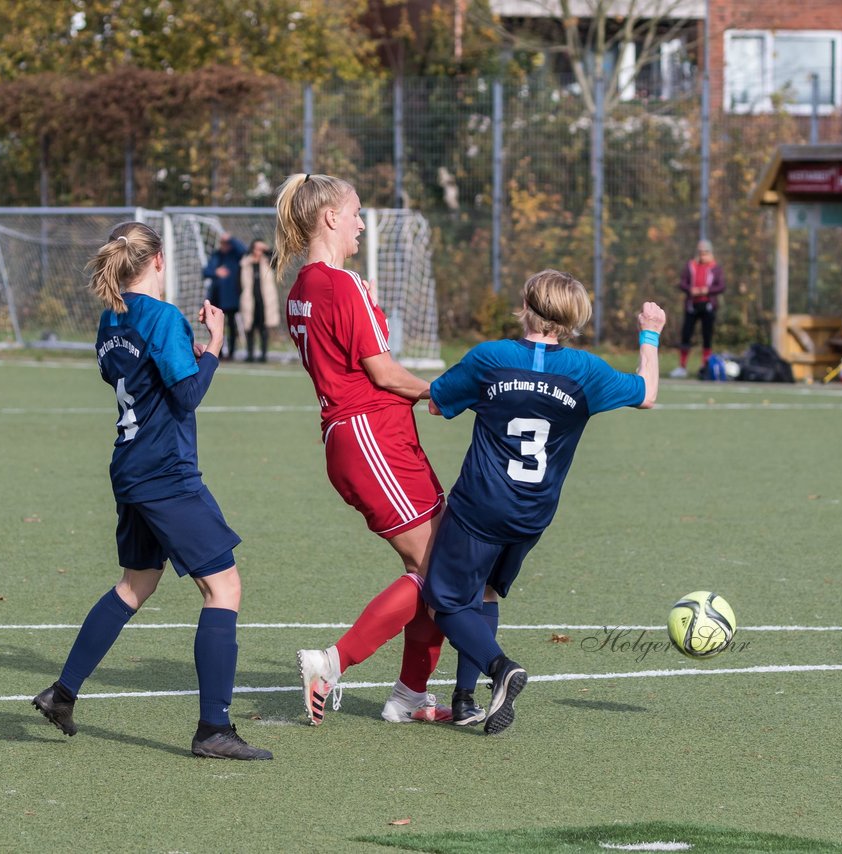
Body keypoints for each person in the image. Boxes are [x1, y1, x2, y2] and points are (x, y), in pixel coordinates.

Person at [31, 221, 271, 761]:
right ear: (159, 260)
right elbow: (187, 395)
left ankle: (62, 694)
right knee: (224, 588)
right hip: (166, 472)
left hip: (131, 466)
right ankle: (213, 728)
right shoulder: (162, 317)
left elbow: (127, 376)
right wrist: (214, 344)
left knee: (136, 584)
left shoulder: (110, 318)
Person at [423, 270, 664, 734]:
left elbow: (437, 403)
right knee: (487, 592)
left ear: (525, 306)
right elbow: (647, 393)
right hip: (533, 512)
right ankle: (465, 699)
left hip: (479, 505)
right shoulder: (586, 371)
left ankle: (500, 669)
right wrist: (649, 332)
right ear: (574, 319)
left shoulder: (491, 357)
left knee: (446, 601)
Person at [276, 172, 471, 727]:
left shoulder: (301, 291)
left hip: (366, 439)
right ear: (330, 217)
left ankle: (409, 695)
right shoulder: (344, 285)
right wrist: (449, 390)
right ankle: (333, 662)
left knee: (436, 566)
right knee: (439, 570)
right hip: (371, 437)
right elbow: (382, 373)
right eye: (356, 211)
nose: (362, 222)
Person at [669, 239, 724, 378]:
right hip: (692, 305)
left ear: (710, 253)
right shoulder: (691, 266)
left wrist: (707, 290)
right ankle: (682, 367)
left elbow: (721, 286)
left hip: (708, 305)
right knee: (686, 335)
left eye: (705, 252)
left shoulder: (715, 268)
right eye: (700, 252)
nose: (703, 255)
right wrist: (690, 290)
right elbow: (682, 283)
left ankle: (705, 366)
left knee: (707, 336)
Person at [203, 232, 246, 360]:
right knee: (217, 327)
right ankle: (218, 352)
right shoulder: (216, 255)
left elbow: (244, 250)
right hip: (217, 298)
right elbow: (206, 271)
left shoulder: (235, 255)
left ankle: (232, 353)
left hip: (231, 298)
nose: (224, 246)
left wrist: (231, 238)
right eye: (223, 243)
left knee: (231, 326)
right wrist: (216, 272)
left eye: (227, 243)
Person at [238, 238, 279, 362]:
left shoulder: (267, 262)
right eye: (257, 248)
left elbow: (277, 257)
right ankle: (250, 354)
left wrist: (266, 249)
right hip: (250, 300)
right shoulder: (245, 263)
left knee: (263, 328)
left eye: (261, 249)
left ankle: (263, 354)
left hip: (264, 301)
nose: (258, 251)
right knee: (249, 328)